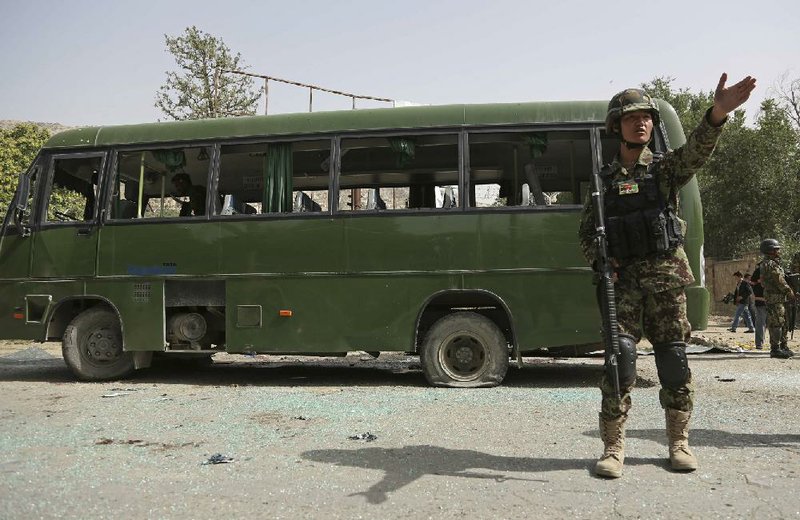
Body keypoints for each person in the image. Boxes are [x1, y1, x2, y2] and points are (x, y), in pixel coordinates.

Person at [578, 73, 756, 479]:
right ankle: (613, 447)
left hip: (664, 280)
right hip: (621, 286)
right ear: (616, 127)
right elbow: (587, 234)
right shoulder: (602, 182)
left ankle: (678, 442)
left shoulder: (664, 170)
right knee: (619, 361)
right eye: (630, 118)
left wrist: (717, 114)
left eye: (645, 117)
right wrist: (599, 259)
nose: (640, 123)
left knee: (673, 360)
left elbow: (696, 152)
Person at [759, 239, 795, 358]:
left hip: (780, 298)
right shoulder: (769, 264)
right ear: (769, 250)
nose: (778, 251)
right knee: (776, 323)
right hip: (774, 298)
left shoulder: (774, 263)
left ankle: (783, 346)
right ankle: (775, 349)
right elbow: (778, 280)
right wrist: (789, 291)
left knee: (783, 322)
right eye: (776, 249)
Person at [751, 268, 768, 349]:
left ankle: (760, 343)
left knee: (762, 323)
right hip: (762, 303)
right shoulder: (760, 269)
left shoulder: (761, 268)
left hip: (768, 302)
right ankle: (759, 344)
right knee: (761, 323)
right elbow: (752, 282)